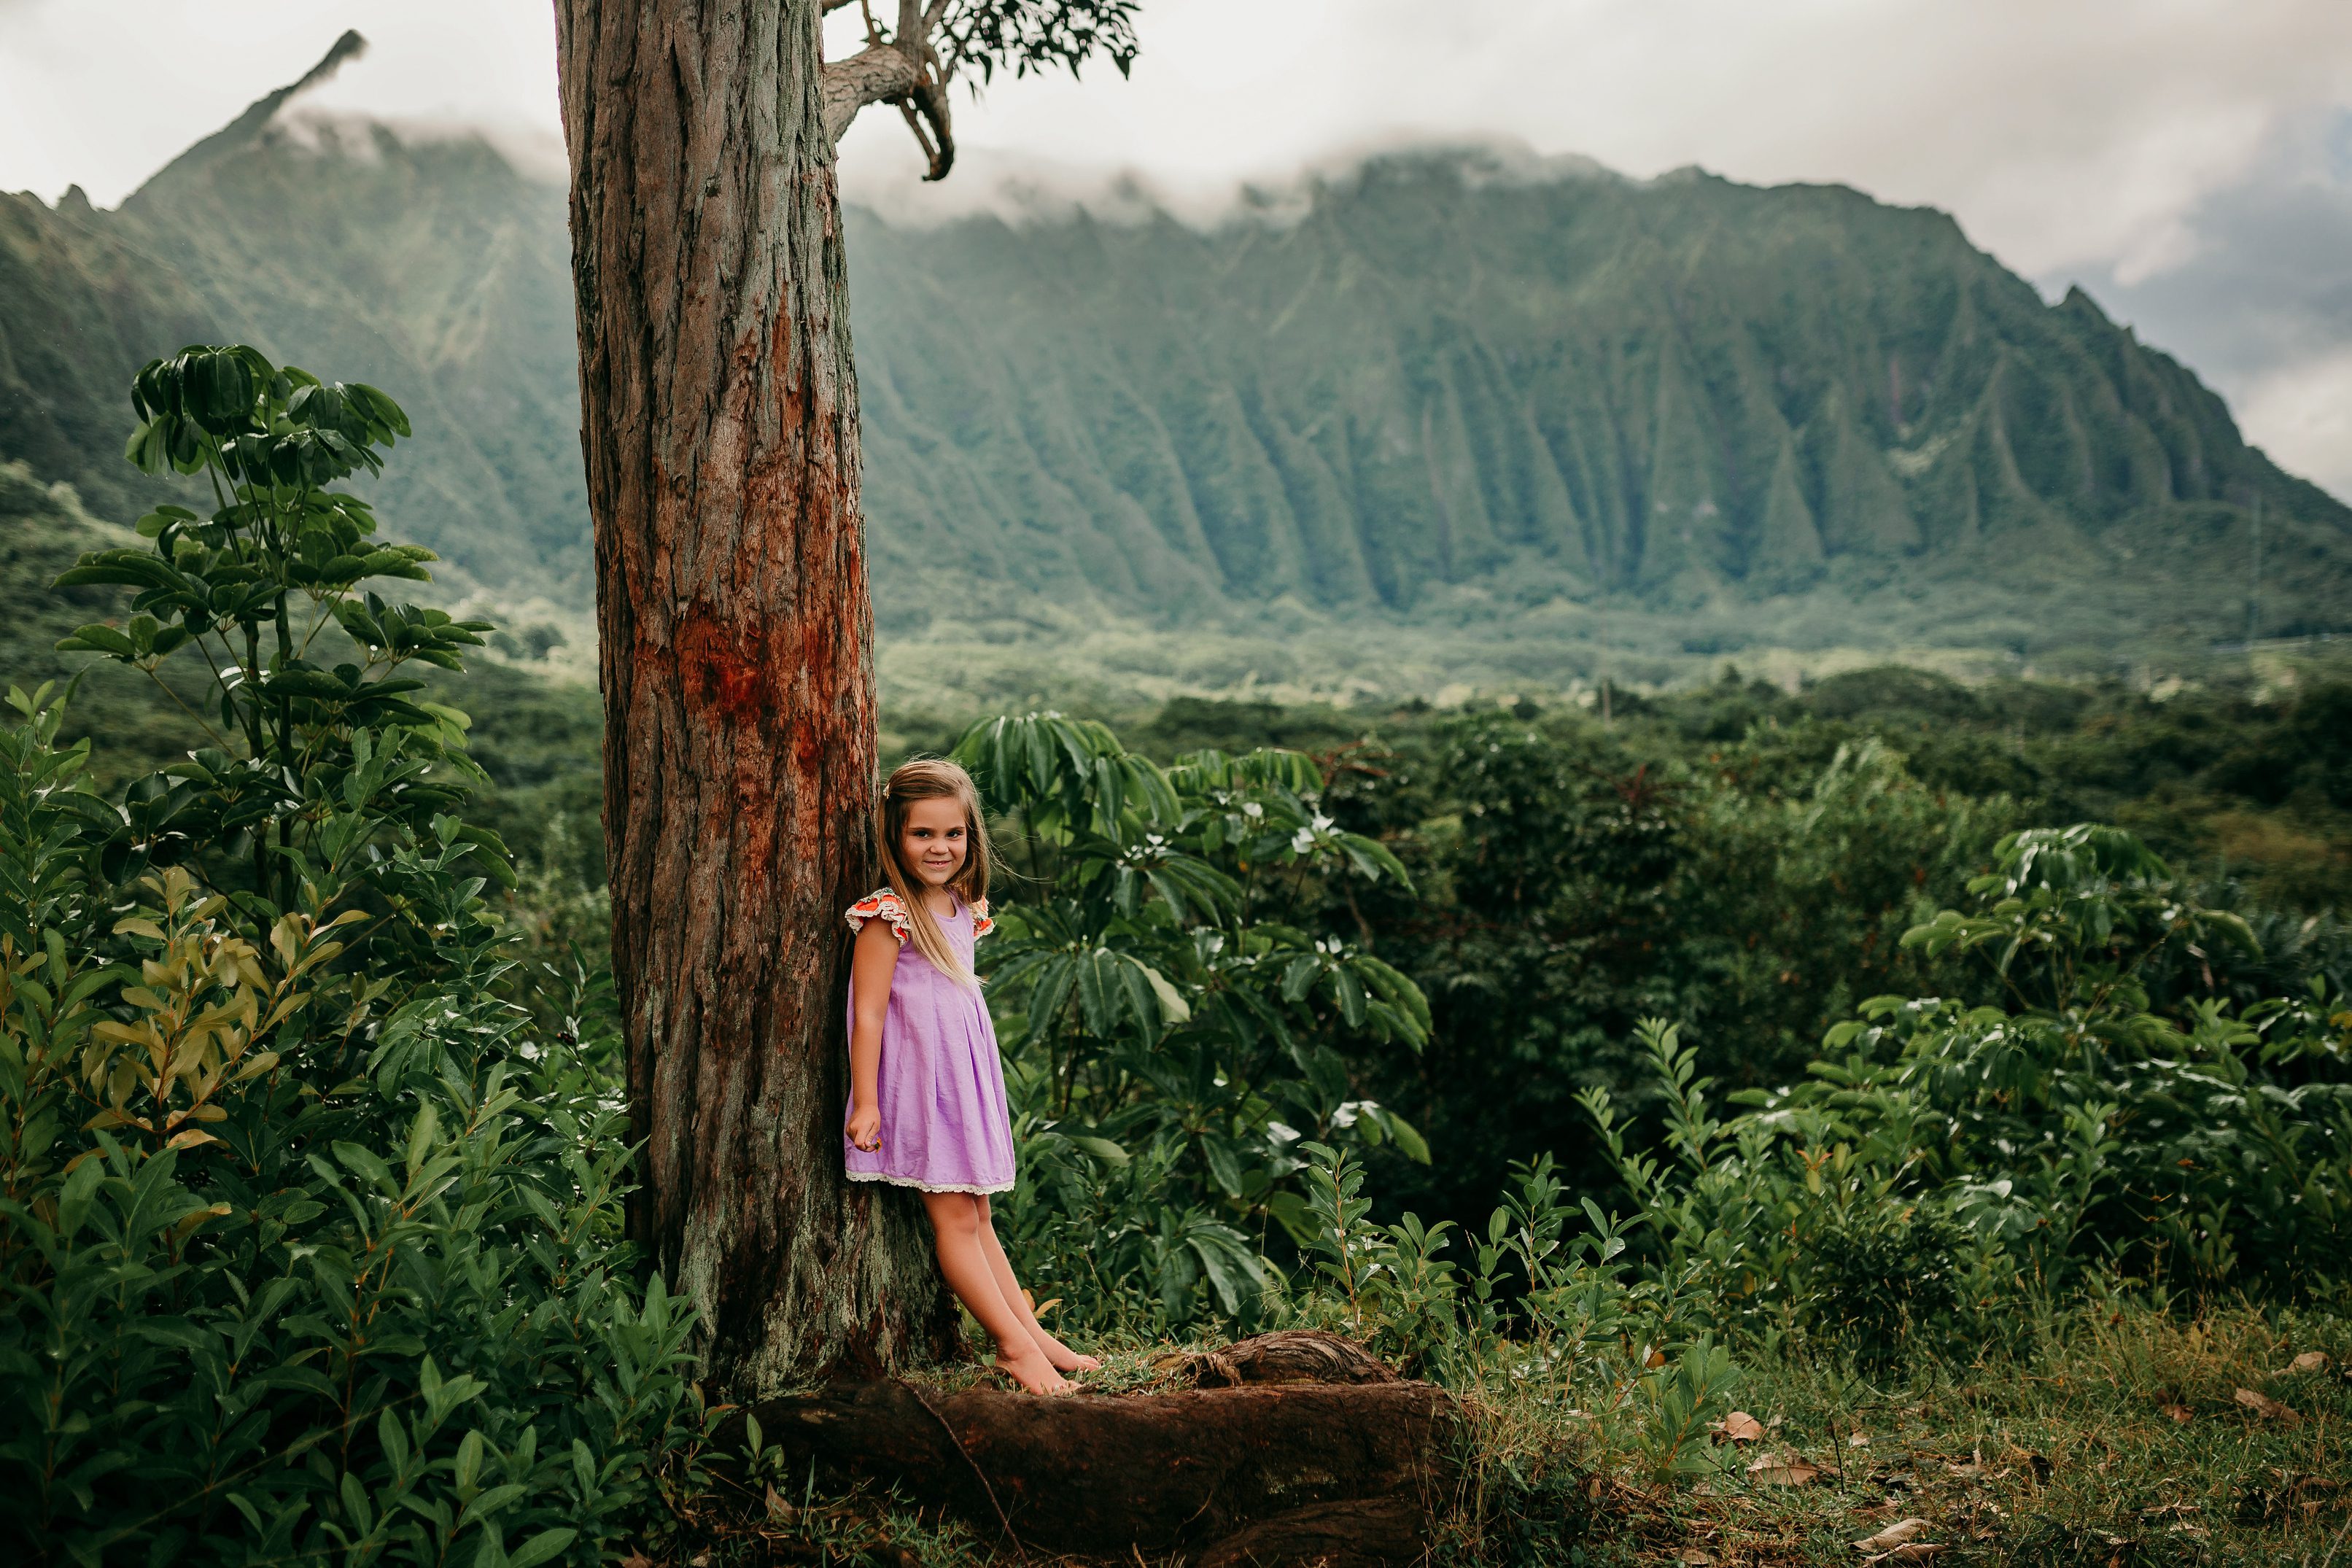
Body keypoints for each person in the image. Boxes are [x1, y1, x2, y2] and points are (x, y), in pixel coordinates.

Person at [842, 758, 1100, 1394]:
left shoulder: (960, 903)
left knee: (979, 1214)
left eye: (952, 834)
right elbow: (867, 1013)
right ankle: (1013, 1348)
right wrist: (867, 1101)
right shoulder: (887, 915)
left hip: (961, 1077)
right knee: (954, 1221)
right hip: (920, 1085)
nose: (939, 848)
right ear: (894, 836)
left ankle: (1034, 1334)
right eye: (922, 834)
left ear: (971, 837)